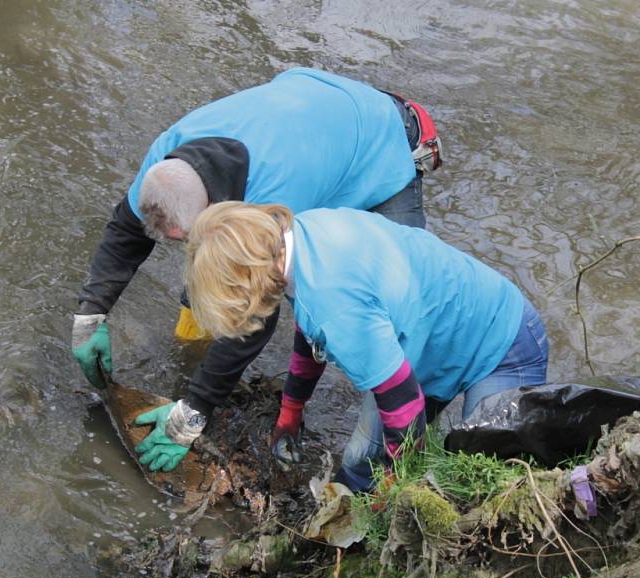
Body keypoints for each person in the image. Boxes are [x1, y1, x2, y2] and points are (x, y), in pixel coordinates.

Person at [70, 67, 443, 472]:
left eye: (190, 240)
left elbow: (256, 314)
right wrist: (91, 313)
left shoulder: (275, 196)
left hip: (384, 138)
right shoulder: (165, 161)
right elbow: (128, 228)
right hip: (316, 109)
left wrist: (194, 411)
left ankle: (397, 457)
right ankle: (192, 355)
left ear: (219, 212)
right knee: (215, 274)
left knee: (401, 314)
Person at [182, 202, 550, 491]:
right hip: (430, 334)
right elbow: (311, 336)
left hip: (503, 343)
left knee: (478, 473)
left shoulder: (335, 304)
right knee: (361, 461)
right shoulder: (299, 235)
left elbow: (403, 405)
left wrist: (395, 482)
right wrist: (291, 408)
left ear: (248, 278)